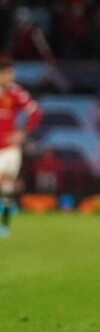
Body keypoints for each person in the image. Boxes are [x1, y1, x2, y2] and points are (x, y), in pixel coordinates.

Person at [0, 56, 42, 239]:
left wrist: (22, 133)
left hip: (9, 149)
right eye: (7, 73)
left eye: (12, 73)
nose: (11, 76)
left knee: (6, 184)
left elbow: (35, 113)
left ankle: (4, 225)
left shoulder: (16, 93)